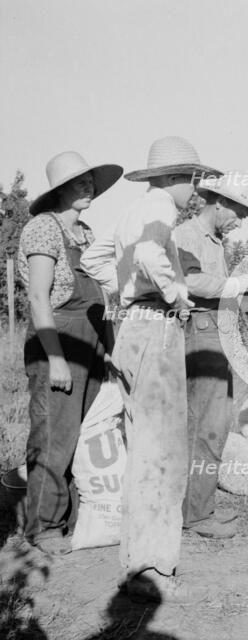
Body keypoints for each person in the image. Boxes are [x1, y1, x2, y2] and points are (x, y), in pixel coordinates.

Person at [110, 136, 220, 603]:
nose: (193, 189)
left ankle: (137, 558)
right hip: (155, 324)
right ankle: (153, 567)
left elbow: (103, 259)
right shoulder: (160, 209)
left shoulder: (133, 211)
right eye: (191, 179)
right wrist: (177, 294)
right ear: (175, 178)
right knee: (162, 452)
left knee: (142, 449)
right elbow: (151, 257)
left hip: (132, 326)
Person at [18, 151, 122, 554]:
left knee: (83, 434)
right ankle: (43, 526)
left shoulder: (89, 235)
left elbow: (102, 300)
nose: (88, 187)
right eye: (79, 182)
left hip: (93, 339)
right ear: (58, 190)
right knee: (54, 434)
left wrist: (111, 351)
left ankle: (78, 518)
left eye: (90, 181)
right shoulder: (42, 229)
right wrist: (56, 357)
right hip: (56, 337)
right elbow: (40, 299)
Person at [175, 173, 248, 539]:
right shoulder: (186, 235)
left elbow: (217, 289)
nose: (240, 222)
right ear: (220, 202)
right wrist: (235, 285)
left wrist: (246, 302)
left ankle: (199, 507)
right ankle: (195, 516)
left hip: (216, 331)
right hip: (201, 331)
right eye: (239, 212)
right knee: (205, 426)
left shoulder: (215, 242)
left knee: (215, 424)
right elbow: (189, 283)